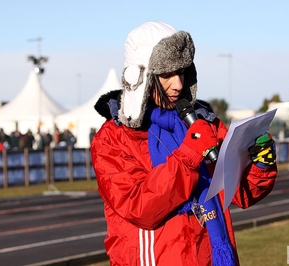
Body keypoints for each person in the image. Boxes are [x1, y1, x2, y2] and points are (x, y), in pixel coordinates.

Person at [91, 22, 277, 266]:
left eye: (182, 72)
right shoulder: (113, 137)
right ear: (141, 76)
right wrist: (189, 155)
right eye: (167, 74)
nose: (178, 84)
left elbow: (240, 194)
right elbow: (140, 207)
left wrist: (260, 165)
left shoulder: (203, 123)